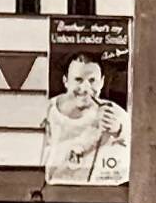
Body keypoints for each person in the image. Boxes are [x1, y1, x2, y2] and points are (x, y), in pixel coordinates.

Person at [39, 55, 130, 185]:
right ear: (66, 81)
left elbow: (139, 144)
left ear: (102, 82)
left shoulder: (115, 113)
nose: (85, 88)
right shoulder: (47, 112)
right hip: (53, 195)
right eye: (78, 80)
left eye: (92, 80)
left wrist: (120, 130)